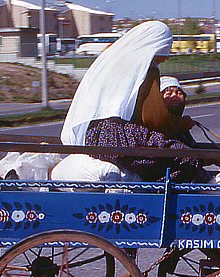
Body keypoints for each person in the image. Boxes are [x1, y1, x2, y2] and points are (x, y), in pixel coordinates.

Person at [60, 21, 211, 183]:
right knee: (184, 159)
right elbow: (155, 120)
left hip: (94, 135)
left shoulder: (114, 60)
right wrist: (180, 125)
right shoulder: (147, 67)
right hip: (116, 136)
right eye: (166, 47)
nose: (166, 57)